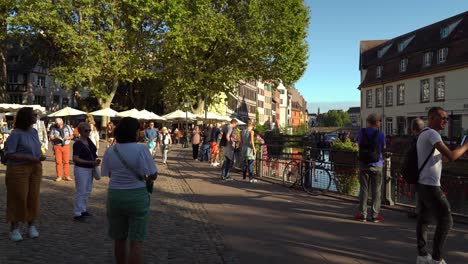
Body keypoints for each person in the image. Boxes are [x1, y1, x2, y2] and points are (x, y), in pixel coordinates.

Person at [101, 117, 158, 264]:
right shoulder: (141, 149)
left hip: (115, 195)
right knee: (136, 241)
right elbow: (153, 174)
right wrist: (145, 178)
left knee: (119, 239)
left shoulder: (110, 151)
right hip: (137, 195)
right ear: (135, 132)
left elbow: (109, 174)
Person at [415, 107, 468, 264]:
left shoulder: (424, 133)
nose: (445, 120)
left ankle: (422, 256)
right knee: (446, 220)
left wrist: (457, 150)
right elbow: (451, 156)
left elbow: (442, 159)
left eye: (447, 118)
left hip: (422, 182)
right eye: (442, 117)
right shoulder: (432, 133)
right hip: (430, 185)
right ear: (431, 118)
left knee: (424, 220)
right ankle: (437, 259)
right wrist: (465, 146)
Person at [4, 107, 46, 241]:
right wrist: (28, 158)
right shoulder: (15, 134)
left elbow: (36, 148)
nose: (35, 116)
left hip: (35, 168)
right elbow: (10, 154)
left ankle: (31, 225)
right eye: (33, 114)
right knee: (18, 197)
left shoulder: (33, 132)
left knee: (33, 197)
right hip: (18, 169)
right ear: (26, 117)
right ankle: (14, 228)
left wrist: (39, 155)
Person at [354, 113, 385, 223]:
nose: (380, 122)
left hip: (363, 164)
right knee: (376, 190)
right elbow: (382, 148)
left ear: (368, 122)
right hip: (377, 164)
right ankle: (375, 215)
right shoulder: (380, 134)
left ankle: (363, 214)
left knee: (364, 189)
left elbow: (357, 143)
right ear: (376, 122)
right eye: (379, 121)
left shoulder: (361, 132)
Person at [72, 122, 101, 221]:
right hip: (81, 169)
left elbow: (94, 153)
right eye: (86, 130)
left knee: (87, 190)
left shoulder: (89, 141)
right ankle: (77, 212)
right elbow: (75, 158)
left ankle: (83, 209)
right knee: (81, 190)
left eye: (90, 130)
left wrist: (95, 161)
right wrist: (89, 162)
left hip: (90, 168)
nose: (88, 132)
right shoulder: (78, 144)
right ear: (80, 131)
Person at [408, 118, 425, 219]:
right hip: (427, 169)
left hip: (416, 169)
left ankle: (418, 211)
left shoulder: (414, 139)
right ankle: (421, 210)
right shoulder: (427, 137)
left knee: (417, 191)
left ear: (412, 128)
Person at [49, 117, 74, 181]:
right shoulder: (54, 128)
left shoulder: (67, 127)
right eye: (57, 124)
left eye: (59, 124)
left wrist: (67, 137)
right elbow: (51, 137)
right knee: (58, 162)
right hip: (57, 146)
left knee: (66, 161)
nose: (59, 125)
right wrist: (55, 138)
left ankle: (67, 176)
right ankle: (59, 176)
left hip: (66, 146)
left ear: (62, 122)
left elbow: (72, 136)